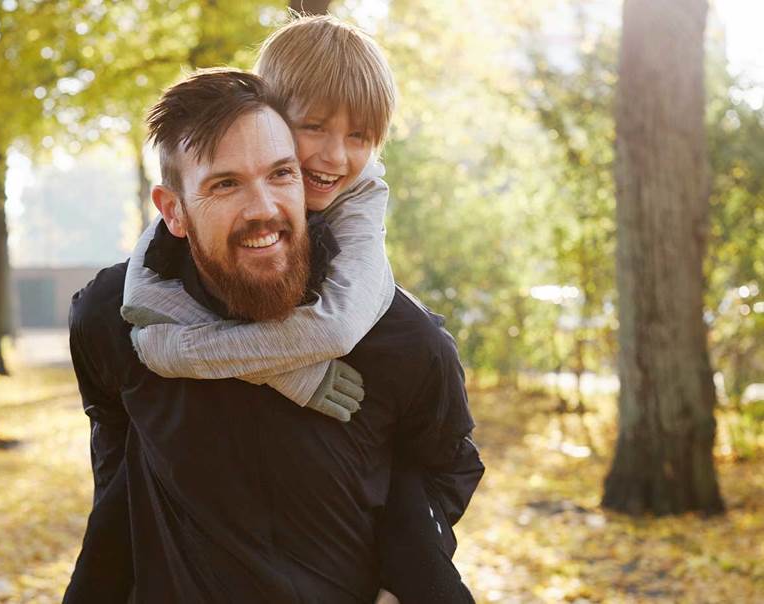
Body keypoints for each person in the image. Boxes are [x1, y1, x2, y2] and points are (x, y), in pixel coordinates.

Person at [64, 68, 483, 603]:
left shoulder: (399, 338)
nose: (262, 209)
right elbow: (116, 447)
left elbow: (449, 462)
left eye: (281, 174)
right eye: (225, 184)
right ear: (173, 210)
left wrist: (403, 579)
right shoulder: (112, 320)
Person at [123, 15, 397, 423]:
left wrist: (178, 352)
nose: (335, 157)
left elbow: (338, 328)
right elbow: (142, 298)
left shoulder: (363, 192)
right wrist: (293, 373)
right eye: (314, 127)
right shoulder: (214, 195)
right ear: (269, 116)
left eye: (359, 136)